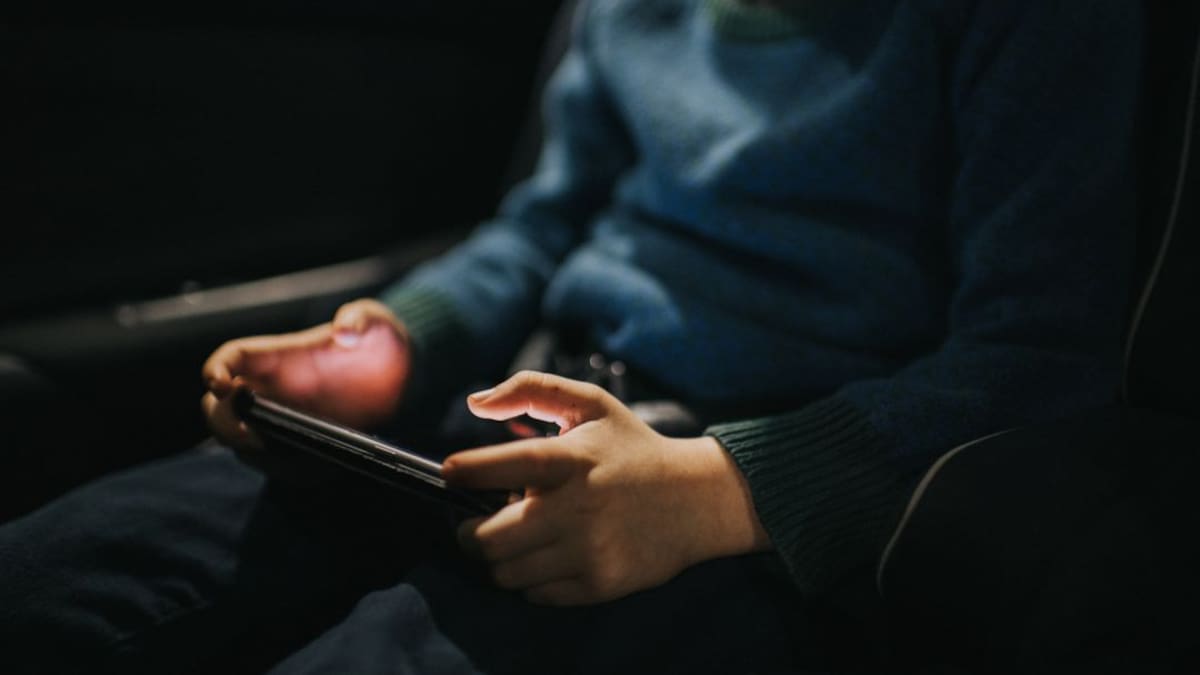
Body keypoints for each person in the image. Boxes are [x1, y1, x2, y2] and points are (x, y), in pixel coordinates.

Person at [1, 0, 1142, 672]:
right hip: (503, 413)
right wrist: (394, 345)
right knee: (51, 580)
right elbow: (544, 225)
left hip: (739, 509)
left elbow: (1035, 358)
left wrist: (716, 489)